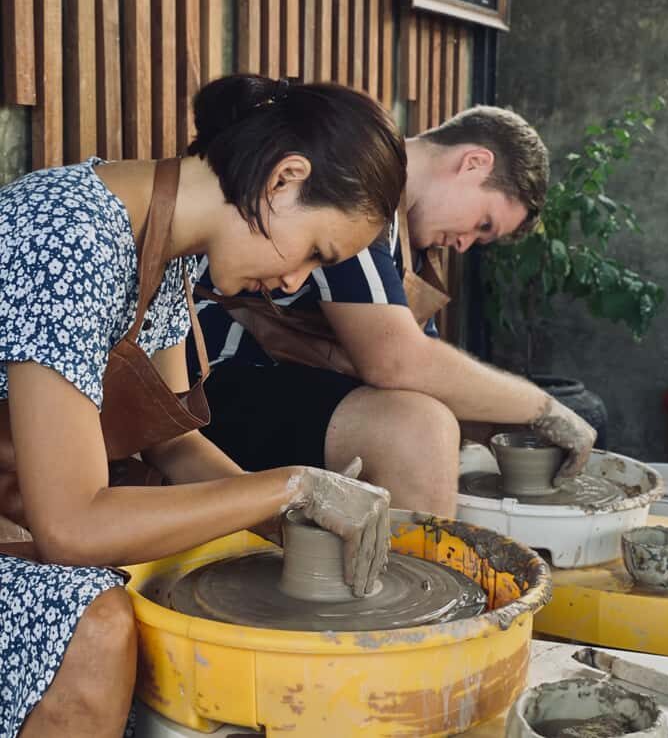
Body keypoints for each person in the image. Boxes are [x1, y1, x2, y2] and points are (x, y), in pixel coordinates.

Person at [0, 74, 406, 738]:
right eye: (313, 251)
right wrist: (291, 486)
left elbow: (170, 443)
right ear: (283, 179)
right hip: (36, 518)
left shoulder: (161, 249)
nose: (294, 283)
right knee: (93, 623)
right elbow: (71, 526)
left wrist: (294, 521)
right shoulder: (68, 236)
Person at [190, 106, 596, 517]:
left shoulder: (414, 246)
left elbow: (424, 376)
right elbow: (397, 363)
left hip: (273, 385)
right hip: (201, 381)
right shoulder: (358, 188)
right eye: (483, 224)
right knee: (418, 430)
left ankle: (406, 571)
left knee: (447, 429)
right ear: (474, 163)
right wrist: (544, 408)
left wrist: (503, 428)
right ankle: (416, 580)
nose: (466, 244)